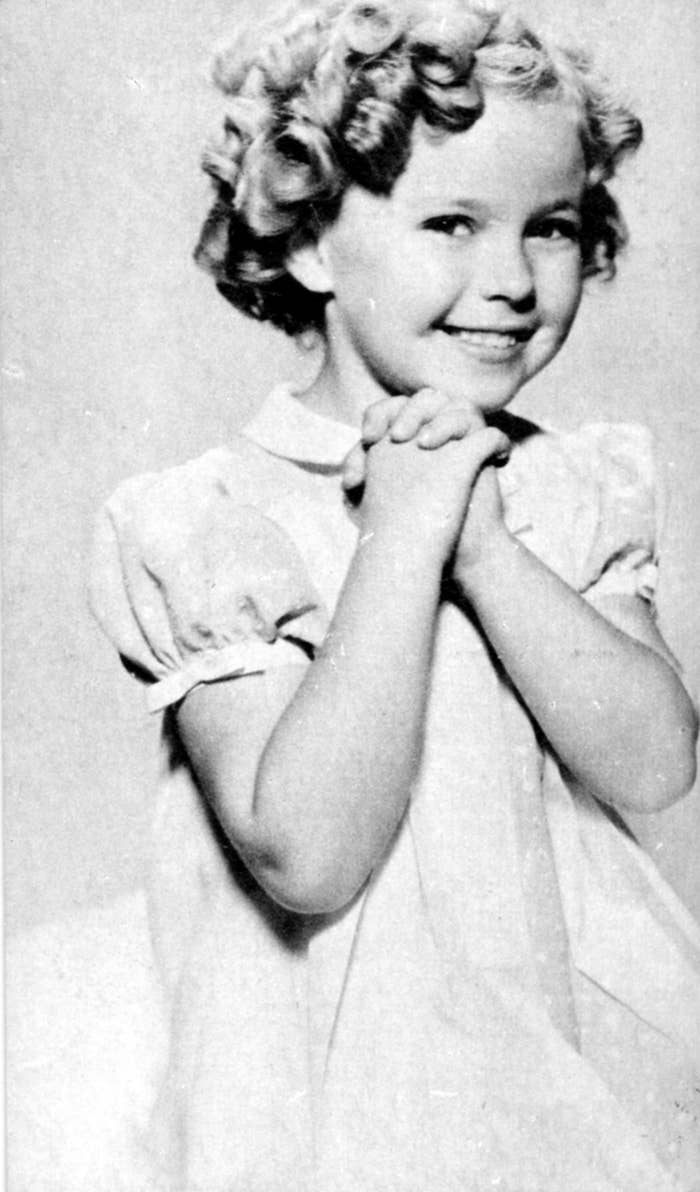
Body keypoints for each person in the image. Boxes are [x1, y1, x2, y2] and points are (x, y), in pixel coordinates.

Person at [88, 2, 700, 1188]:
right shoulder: (212, 525)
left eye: (552, 226)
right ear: (313, 241)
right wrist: (405, 538)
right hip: (324, 1101)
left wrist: (487, 549)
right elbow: (307, 854)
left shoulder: (563, 489)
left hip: (568, 1059)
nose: (511, 281)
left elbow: (654, 765)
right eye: (452, 223)